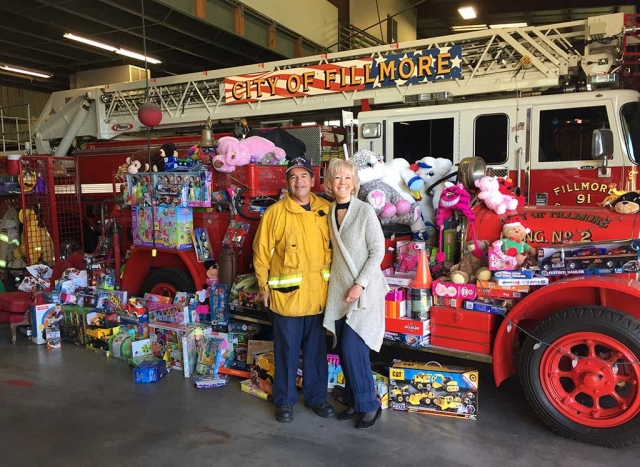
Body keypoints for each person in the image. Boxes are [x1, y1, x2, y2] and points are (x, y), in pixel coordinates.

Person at [253, 156, 335, 423]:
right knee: (286, 352)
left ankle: (317, 398)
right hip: (287, 298)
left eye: (303, 176)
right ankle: (285, 401)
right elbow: (261, 253)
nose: (299, 181)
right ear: (287, 183)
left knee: (316, 352)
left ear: (313, 181)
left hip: (319, 298)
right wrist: (263, 287)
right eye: (293, 177)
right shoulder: (276, 213)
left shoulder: (326, 210)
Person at [322, 158, 389, 429]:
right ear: (330, 183)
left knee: (353, 349)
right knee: (343, 350)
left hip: (366, 291)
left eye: (347, 178)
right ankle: (353, 398)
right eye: (337, 178)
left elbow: (378, 251)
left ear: (354, 183)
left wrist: (360, 284)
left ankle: (370, 404)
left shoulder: (364, 211)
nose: (342, 183)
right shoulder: (328, 212)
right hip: (339, 291)